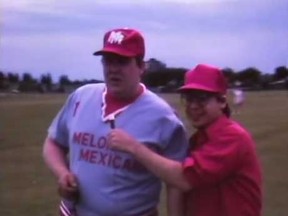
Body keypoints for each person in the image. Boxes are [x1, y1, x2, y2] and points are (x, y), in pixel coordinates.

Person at [42, 28, 188, 216]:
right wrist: (62, 173)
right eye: (108, 61)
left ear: (141, 67)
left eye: (122, 61)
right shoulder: (81, 97)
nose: (113, 69)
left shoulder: (163, 117)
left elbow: (179, 180)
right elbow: (54, 142)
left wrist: (135, 148)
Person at [108, 64, 263, 216]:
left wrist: (134, 147)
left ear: (222, 101)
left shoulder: (232, 137)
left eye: (202, 99)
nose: (193, 106)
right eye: (189, 99)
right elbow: (180, 188)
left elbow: (183, 179)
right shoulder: (198, 140)